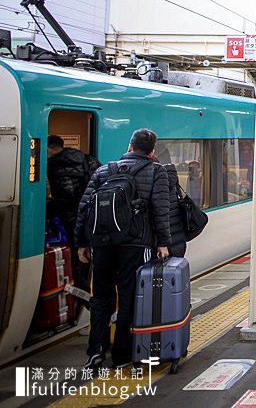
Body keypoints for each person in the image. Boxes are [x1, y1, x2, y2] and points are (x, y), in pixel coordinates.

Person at [75, 128, 171, 371]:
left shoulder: (104, 170)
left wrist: (82, 243)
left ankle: (95, 351)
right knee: (129, 297)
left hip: (102, 244)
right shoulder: (156, 171)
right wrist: (163, 243)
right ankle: (121, 354)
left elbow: (85, 208)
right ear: (151, 151)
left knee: (101, 297)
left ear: (129, 147)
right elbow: (161, 210)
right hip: (136, 244)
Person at [47, 136, 100, 294]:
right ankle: (89, 295)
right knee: (87, 257)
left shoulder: (56, 165)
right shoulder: (85, 158)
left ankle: (82, 295)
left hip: (73, 218)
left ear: (49, 150)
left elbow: (66, 196)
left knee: (75, 258)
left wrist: (48, 208)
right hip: (93, 215)